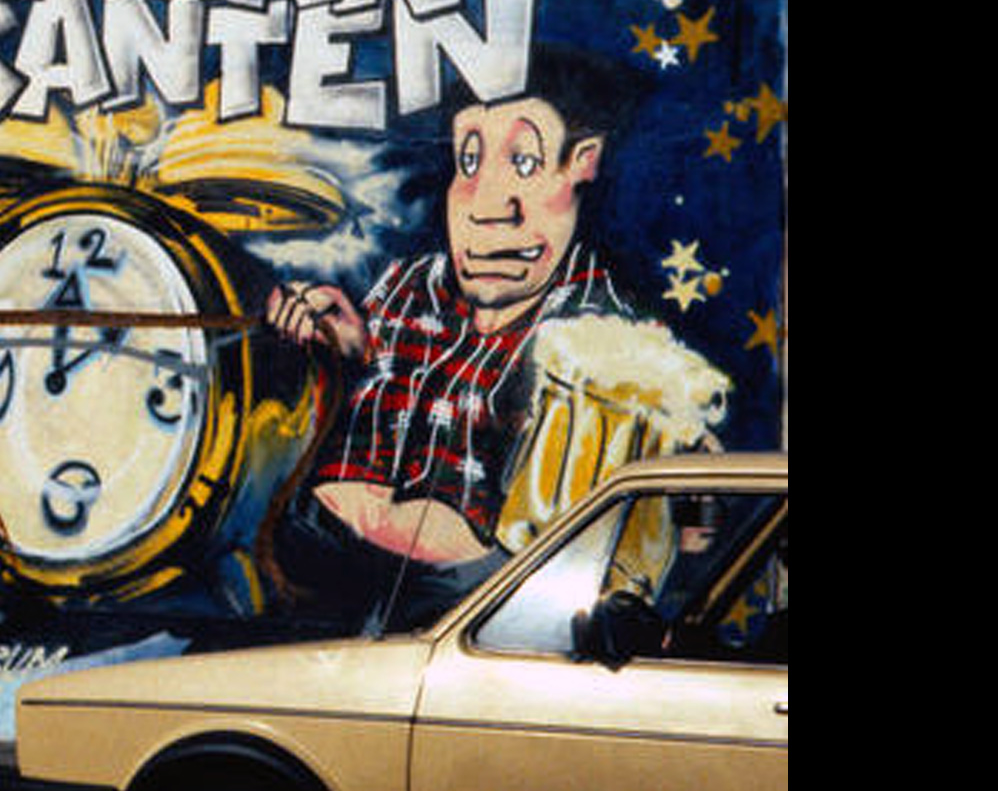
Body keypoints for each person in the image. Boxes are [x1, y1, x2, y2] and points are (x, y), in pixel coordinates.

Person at [266, 45, 704, 628]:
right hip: (322, 570)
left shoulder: (609, 345)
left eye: (523, 162)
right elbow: (384, 393)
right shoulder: (412, 285)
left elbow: (653, 524)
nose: (486, 207)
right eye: (469, 161)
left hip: (457, 614)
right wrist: (347, 349)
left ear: (582, 163)